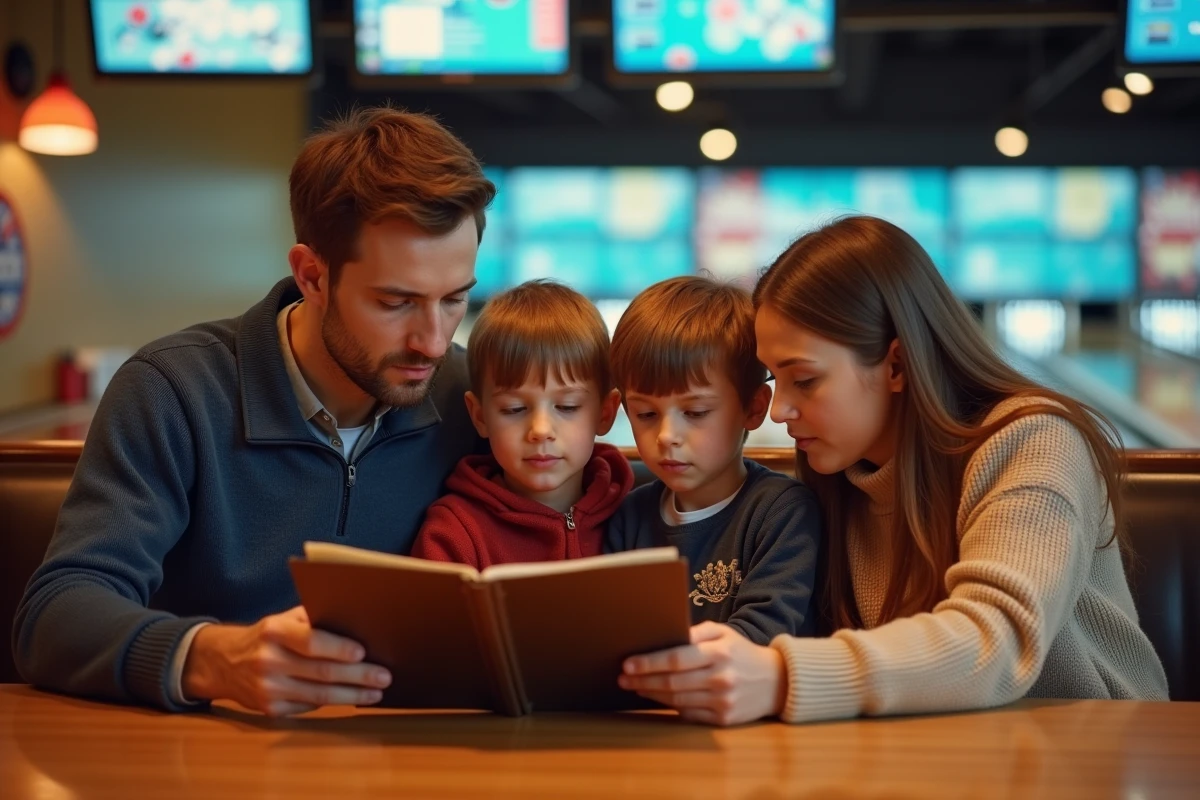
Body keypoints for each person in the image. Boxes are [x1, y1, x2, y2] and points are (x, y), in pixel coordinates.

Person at [13, 107, 495, 717]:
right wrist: (213, 658)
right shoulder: (173, 391)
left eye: (455, 298)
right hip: (212, 755)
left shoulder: (474, 399)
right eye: (396, 302)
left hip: (414, 757)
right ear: (312, 275)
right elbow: (56, 614)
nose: (432, 339)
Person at [618, 216, 1169, 726]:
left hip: (1099, 748)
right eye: (774, 380)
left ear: (897, 365)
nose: (780, 408)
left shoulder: (1035, 442)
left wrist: (782, 675)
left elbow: (993, 641)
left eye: (804, 380)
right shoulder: (835, 478)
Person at [606, 277, 821, 645]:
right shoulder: (628, 517)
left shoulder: (781, 512)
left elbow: (760, 635)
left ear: (753, 408)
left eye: (695, 412)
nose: (666, 436)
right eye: (645, 414)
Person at [411, 281, 631, 568]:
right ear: (480, 416)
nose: (540, 431)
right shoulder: (454, 534)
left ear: (605, 414)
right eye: (514, 409)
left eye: (567, 407)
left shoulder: (636, 516)